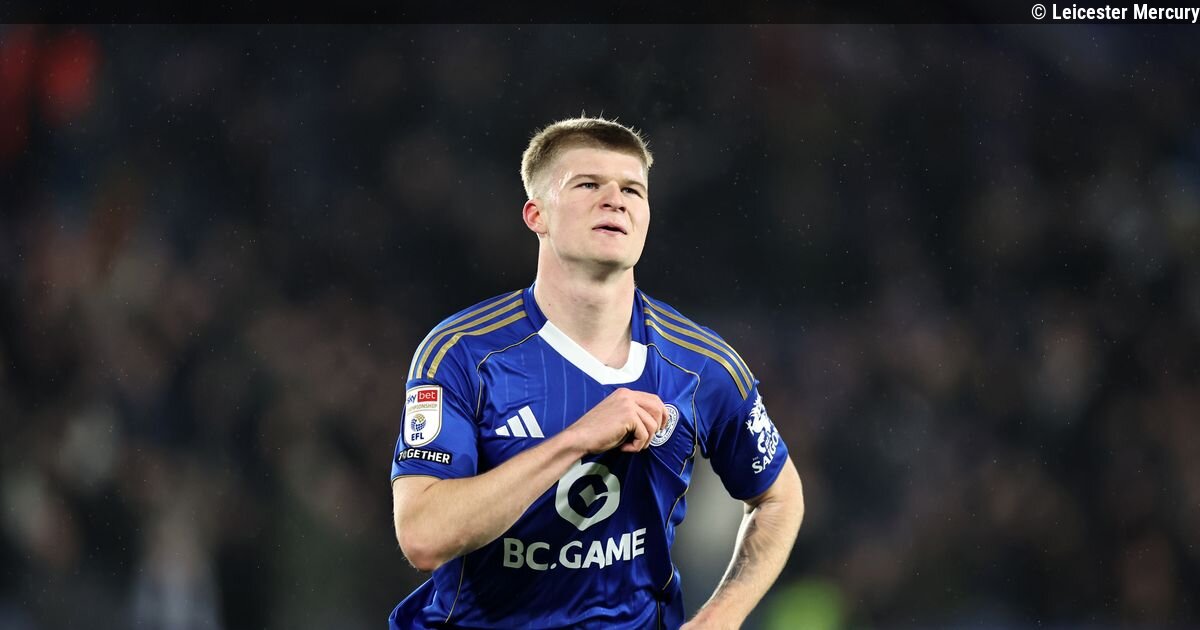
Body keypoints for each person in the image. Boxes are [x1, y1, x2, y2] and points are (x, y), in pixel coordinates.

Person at [389, 116, 805, 629]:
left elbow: (779, 495)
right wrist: (578, 439)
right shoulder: (462, 353)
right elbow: (423, 537)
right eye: (588, 185)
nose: (615, 200)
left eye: (632, 189)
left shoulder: (701, 364)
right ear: (536, 214)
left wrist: (720, 618)